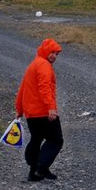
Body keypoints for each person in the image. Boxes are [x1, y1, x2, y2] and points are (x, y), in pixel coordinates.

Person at [15, 38, 63, 181]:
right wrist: (51, 108)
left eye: (56, 54)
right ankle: (40, 168)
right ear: (46, 52)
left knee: (36, 139)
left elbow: (23, 88)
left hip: (31, 114)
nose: (54, 56)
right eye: (52, 53)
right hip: (43, 112)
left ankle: (34, 171)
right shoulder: (44, 66)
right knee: (56, 140)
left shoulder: (33, 65)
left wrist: (20, 109)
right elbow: (44, 89)